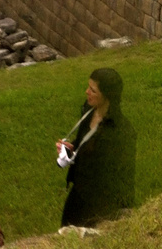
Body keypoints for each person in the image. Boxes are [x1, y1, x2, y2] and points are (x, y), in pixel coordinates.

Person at [58, 67, 136, 227]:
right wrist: (71, 148)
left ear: (106, 95)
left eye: (92, 90)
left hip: (99, 204)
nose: (87, 92)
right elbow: (83, 140)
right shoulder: (88, 109)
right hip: (78, 193)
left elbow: (124, 176)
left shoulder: (121, 133)